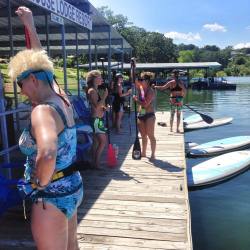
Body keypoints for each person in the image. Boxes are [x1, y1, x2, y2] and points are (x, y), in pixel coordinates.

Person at [9, 6, 83, 250]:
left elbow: (48, 153)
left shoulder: (42, 111)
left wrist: (36, 185)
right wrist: (29, 25)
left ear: (32, 79)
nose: (20, 91)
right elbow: (43, 65)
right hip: (72, 187)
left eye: (20, 84)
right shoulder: (62, 99)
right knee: (71, 246)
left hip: (49, 198)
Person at [86, 70, 108, 168]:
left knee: (96, 142)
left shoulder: (94, 90)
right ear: (94, 79)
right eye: (99, 77)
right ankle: (97, 164)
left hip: (98, 119)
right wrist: (104, 97)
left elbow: (98, 106)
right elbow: (95, 107)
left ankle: (94, 162)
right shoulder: (92, 91)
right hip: (96, 120)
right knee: (103, 141)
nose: (102, 79)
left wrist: (103, 108)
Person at [133, 72, 156, 160]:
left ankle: (153, 154)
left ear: (146, 81)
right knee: (143, 135)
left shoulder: (151, 91)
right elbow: (134, 80)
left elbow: (145, 105)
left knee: (150, 135)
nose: (139, 81)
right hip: (141, 114)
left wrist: (136, 100)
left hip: (149, 114)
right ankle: (143, 153)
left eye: (141, 79)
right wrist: (133, 66)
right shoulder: (140, 88)